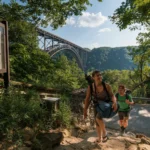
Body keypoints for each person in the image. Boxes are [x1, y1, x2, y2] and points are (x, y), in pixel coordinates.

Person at [83, 70, 117, 143]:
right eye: (97, 75)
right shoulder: (91, 87)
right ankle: (99, 138)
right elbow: (87, 99)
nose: (99, 76)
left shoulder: (106, 86)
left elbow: (112, 95)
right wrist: (85, 110)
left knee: (98, 118)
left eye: (100, 75)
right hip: (97, 105)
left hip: (106, 105)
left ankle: (105, 134)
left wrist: (114, 102)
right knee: (97, 122)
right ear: (93, 78)